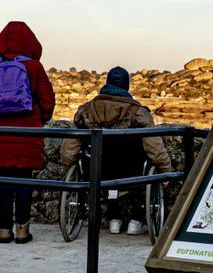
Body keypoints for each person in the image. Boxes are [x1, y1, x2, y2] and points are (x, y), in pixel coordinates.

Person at [59, 66, 173, 235]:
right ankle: (136, 220)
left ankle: (114, 219)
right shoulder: (138, 113)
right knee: (141, 161)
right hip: (131, 169)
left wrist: (70, 168)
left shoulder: (86, 111)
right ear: (126, 86)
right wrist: (166, 171)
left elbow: (70, 147)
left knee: (105, 163)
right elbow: (154, 148)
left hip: (98, 169)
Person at [0, 21, 56, 244]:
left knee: (3, 180)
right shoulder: (34, 67)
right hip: (28, 131)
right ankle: (22, 230)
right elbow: (47, 99)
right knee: (24, 181)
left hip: (0, 131)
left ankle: (3, 230)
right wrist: (39, 119)